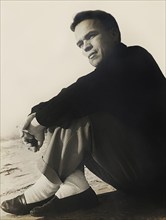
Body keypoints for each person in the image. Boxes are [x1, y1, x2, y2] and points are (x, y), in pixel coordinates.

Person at [1, 10, 166, 217]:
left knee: (77, 109)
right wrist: (35, 117)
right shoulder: (105, 77)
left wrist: (38, 122)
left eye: (90, 36)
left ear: (114, 34)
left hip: (159, 178)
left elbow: (81, 91)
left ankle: (50, 184)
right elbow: (73, 94)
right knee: (68, 109)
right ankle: (75, 187)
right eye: (80, 43)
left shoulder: (135, 58)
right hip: (137, 177)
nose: (85, 46)